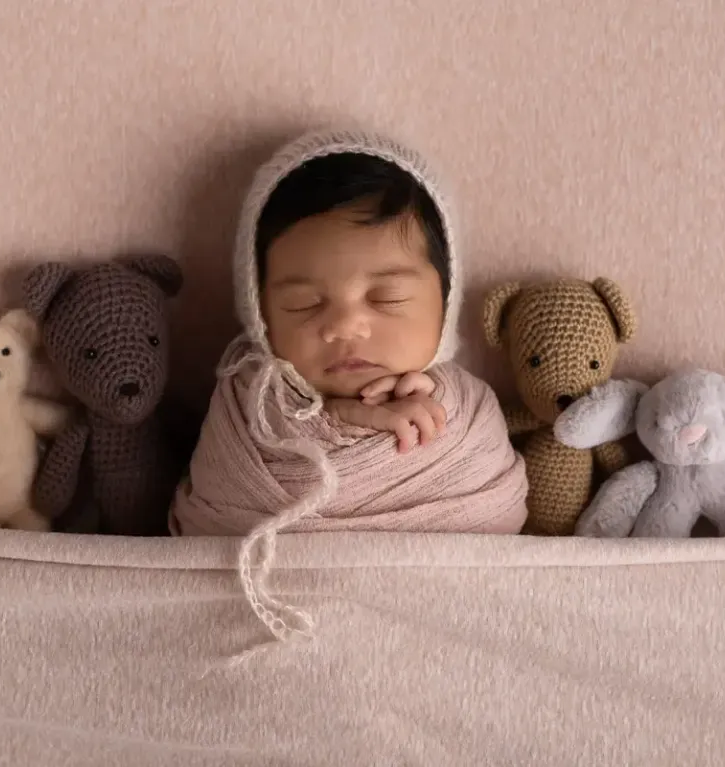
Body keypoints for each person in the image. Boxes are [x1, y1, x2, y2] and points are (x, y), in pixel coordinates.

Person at [170, 129, 529, 644]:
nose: (344, 326)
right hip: (267, 632)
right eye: (304, 304)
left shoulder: (468, 416)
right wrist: (333, 421)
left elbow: (498, 526)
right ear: (260, 313)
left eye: (386, 298)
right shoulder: (245, 404)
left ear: (445, 303)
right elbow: (214, 530)